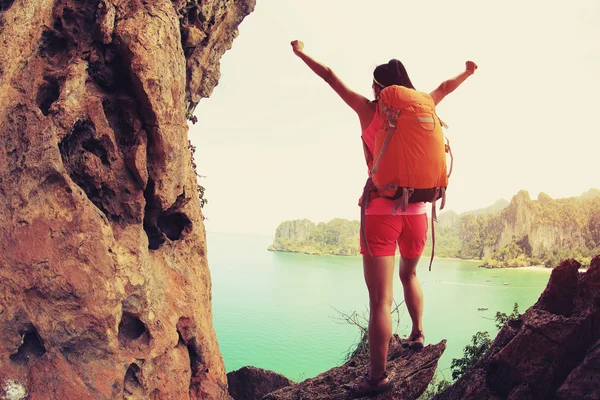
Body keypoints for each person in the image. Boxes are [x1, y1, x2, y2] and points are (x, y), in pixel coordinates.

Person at [291, 39, 477, 397]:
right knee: (409, 274)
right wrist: (467, 72)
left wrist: (301, 53)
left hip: (381, 212)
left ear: (379, 87)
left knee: (380, 300)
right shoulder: (425, 103)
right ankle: (418, 334)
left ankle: (377, 379)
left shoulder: (370, 110)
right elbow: (445, 87)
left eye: (373, 85)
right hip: (420, 213)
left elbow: (331, 77)